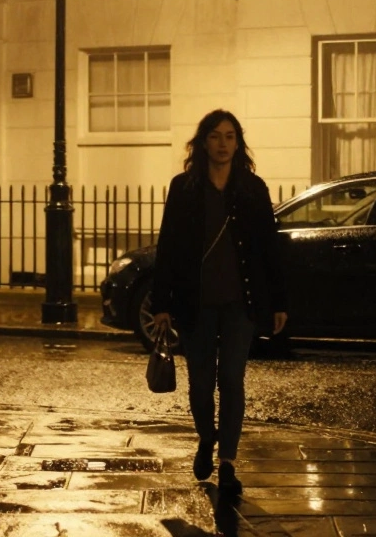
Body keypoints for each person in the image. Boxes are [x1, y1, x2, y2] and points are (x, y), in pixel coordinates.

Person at [150, 108, 288, 498]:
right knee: (199, 385)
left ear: (238, 143)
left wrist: (278, 301)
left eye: (230, 136)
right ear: (203, 142)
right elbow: (169, 247)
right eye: (215, 136)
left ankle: (227, 460)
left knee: (231, 379)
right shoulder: (184, 187)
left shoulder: (252, 188)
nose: (223, 144)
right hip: (197, 303)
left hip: (239, 304)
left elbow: (268, 250)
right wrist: (161, 303)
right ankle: (206, 438)